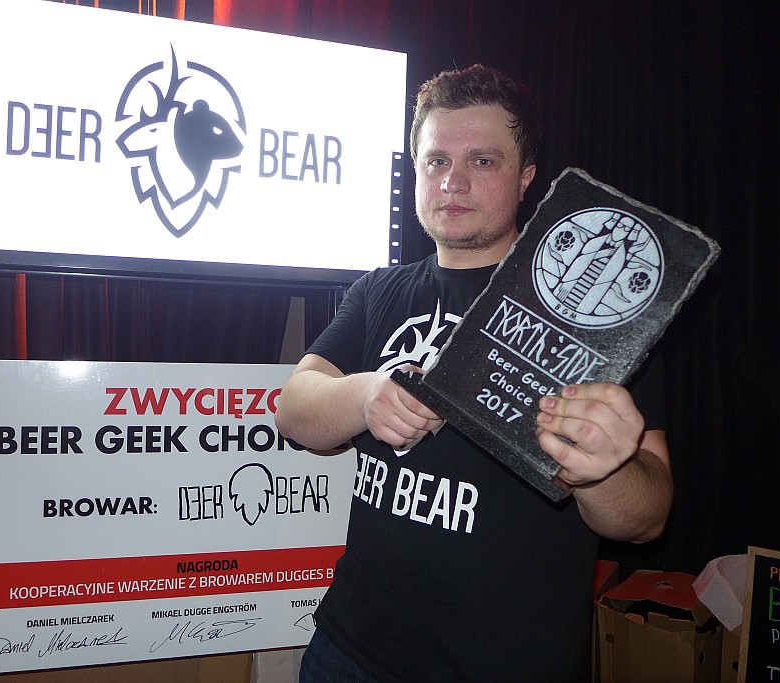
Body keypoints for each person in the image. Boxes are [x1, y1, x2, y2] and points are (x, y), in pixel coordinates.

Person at [275, 65, 674, 682]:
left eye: (482, 161)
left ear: (526, 178)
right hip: (348, 653)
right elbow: (294, 410)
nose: (452, 181)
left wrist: (600, 470)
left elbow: (646, 519)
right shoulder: (378, 292)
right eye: (436, 161)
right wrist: (365, 393)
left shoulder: (598, 311)